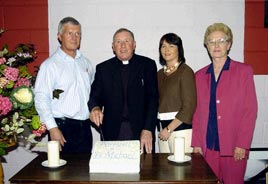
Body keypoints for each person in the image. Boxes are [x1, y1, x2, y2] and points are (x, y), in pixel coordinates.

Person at [191, 23, 258, 184]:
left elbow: (250, 110)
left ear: (228, 44)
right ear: (206, 46)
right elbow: (197, 112)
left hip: (234, 147)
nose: (216, 45)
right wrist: (197, 144)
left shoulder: (243, 71)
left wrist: (242, 144)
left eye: (221, 40)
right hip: (208, 147)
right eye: (211, 41)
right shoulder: (199, 76)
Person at [88, 28, 158, 153]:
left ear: (134, 44)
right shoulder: (103, 68)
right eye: (118, 42)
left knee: (145, 170)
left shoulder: (147, 65)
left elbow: (153, 100)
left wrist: (148, 129)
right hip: (112, 132)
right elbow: (95, 96)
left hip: (141, 131)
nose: (123, 46)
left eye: (127, 41)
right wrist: (95, 108)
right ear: (113, 47)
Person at [34, 17, 94, 153]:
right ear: (59, 36)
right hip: (61, 127)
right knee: (62, 172)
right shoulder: (50, 66)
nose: (74, 37)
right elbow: (41, 98)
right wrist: (53, 128)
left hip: (84, 128)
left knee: (84, 171)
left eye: (78, 33)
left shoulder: (86, 63)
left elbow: (91, 93)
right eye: (69, 33)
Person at [157, 33, 197, 153]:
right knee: (164, 171)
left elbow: (189, 106)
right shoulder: (159, 74)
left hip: (181, 131)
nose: (167, 50)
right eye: (163, 46)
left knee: (181, 171)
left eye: (171, 46)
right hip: (163, 131)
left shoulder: (185, 71)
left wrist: (169, 129)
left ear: (179, 49)